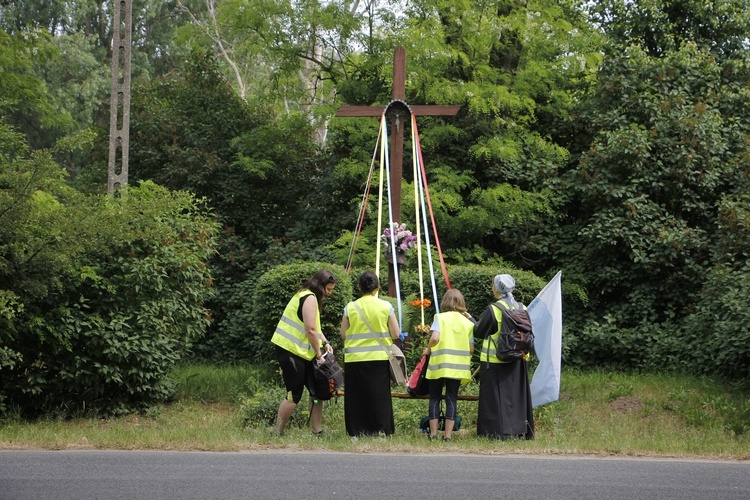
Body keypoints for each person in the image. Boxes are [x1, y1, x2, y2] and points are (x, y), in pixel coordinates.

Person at [271, 269, 337, 436]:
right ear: (319, 286)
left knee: (317, 392)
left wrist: (326, 342)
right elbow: (310, 330)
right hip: (291, 351)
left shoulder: (310, 297)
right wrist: (318, 354)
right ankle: (277, 432)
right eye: (328, 289)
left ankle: (317, 431)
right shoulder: (308, 298)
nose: (329, 294)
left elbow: (316, 329)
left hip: (303, 353)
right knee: (294, 393)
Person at [472, 273, 535, 440]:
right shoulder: (523, 308)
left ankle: (495, 433)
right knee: (516, 398)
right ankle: (519, 431)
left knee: (494, 400)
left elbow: (478, 332)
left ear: (497, 289)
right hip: (518, 360)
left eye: (493, 285)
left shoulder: (494, 309)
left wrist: (471, 319)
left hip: (495, 362)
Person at [339, 270, 401, 437]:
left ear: (359, 287)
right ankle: (381, 431)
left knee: (355, 397)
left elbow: (343, 334)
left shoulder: (350, 307)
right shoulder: (386, 306)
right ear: (378, 287)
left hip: (354, 359)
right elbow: (395, 334)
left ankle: (355, 432)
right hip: (379, 357)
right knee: (379, 396)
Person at [422, 288, 475, 441]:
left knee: (435, 398)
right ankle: (448, 436)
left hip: (439, 365)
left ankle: (433, 434)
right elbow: (471, 349)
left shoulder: (440, 318)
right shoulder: (467, 323)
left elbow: (434, 338)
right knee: (451, 398)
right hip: (458, 368)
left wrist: (429, 350)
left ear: (445, 302)